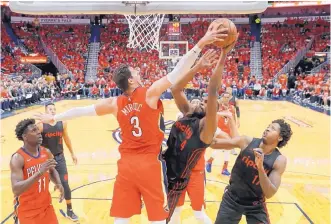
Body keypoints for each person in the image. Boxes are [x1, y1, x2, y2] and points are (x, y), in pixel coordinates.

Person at [34, 28, 229, 224]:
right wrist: (201, 43)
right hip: (149, 165)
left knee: (121, 218)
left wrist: (54, 118)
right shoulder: (149, 93)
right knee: (158, 218)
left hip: (126, 165)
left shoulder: (114, 103)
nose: (138, 73)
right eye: (135, 73)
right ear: (131, 80)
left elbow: (83, 110)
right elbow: (177, 72)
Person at [164, 41, 236, 224]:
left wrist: (222, 57)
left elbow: (212, 91)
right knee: (174, 214)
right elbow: (175, 89)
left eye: (204, 103)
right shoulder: (188, 113)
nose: (200, 102)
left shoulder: (208, 126)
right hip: (174, 173)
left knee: (198, 214)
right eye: (199, 100)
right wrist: (198, 66)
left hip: (194, 174)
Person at [211, 118, 292, 224]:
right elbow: (214, 143)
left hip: (255, 205)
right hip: (232, 198)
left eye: (272, 129)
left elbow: (269, 193)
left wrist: (260, 168)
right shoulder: (246, 141)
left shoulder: (279, 160)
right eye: (268, 126)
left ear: (280, 137)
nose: (267, 129)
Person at [10, 119, 64, 224]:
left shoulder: (46, 152)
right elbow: (16, 189)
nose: (39, 132)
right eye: (34, 130)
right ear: (25, 137)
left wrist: (58, 183)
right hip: (27, 212)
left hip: (46, 207)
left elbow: (52, 170)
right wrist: (39, 173)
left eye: (38, 129)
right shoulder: (18, 158)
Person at [37, 103, 79, 221]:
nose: (53, 111)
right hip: (45, 160)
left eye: (54, 109)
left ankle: (70, 211)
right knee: (43, 187)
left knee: (65, 184)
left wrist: (72, 153)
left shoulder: (62, 123)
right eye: (50, 109)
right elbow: (33, 143)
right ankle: (41, 211)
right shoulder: (40, 126)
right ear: (45, 111)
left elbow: (66, 138)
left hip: (60, 158)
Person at [206, 92, 239, 176]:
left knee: (227, 149)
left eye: (228, 97)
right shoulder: (218, 107)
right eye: (225, 97)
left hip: (228, 131)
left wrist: (235, 126)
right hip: (219, 131)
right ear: (222, 97)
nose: (226, 99)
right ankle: (211, 162)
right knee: (221, 148)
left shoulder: (232, 108)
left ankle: (220, 167)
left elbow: (233, 119)